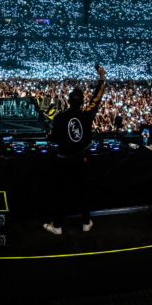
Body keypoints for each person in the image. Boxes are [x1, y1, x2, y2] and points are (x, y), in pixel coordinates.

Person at [44, 64, 106, 235]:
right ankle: (86, 222)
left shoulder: (59, 118)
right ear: (82, 102)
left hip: (63, 161)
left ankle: (57, 226)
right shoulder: (86, 114)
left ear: (68, 101)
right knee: (83, 192)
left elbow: (55, 139)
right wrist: (101, 78)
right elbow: (97, 98)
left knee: (61, 193)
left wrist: (49, 137)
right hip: (81, 160)